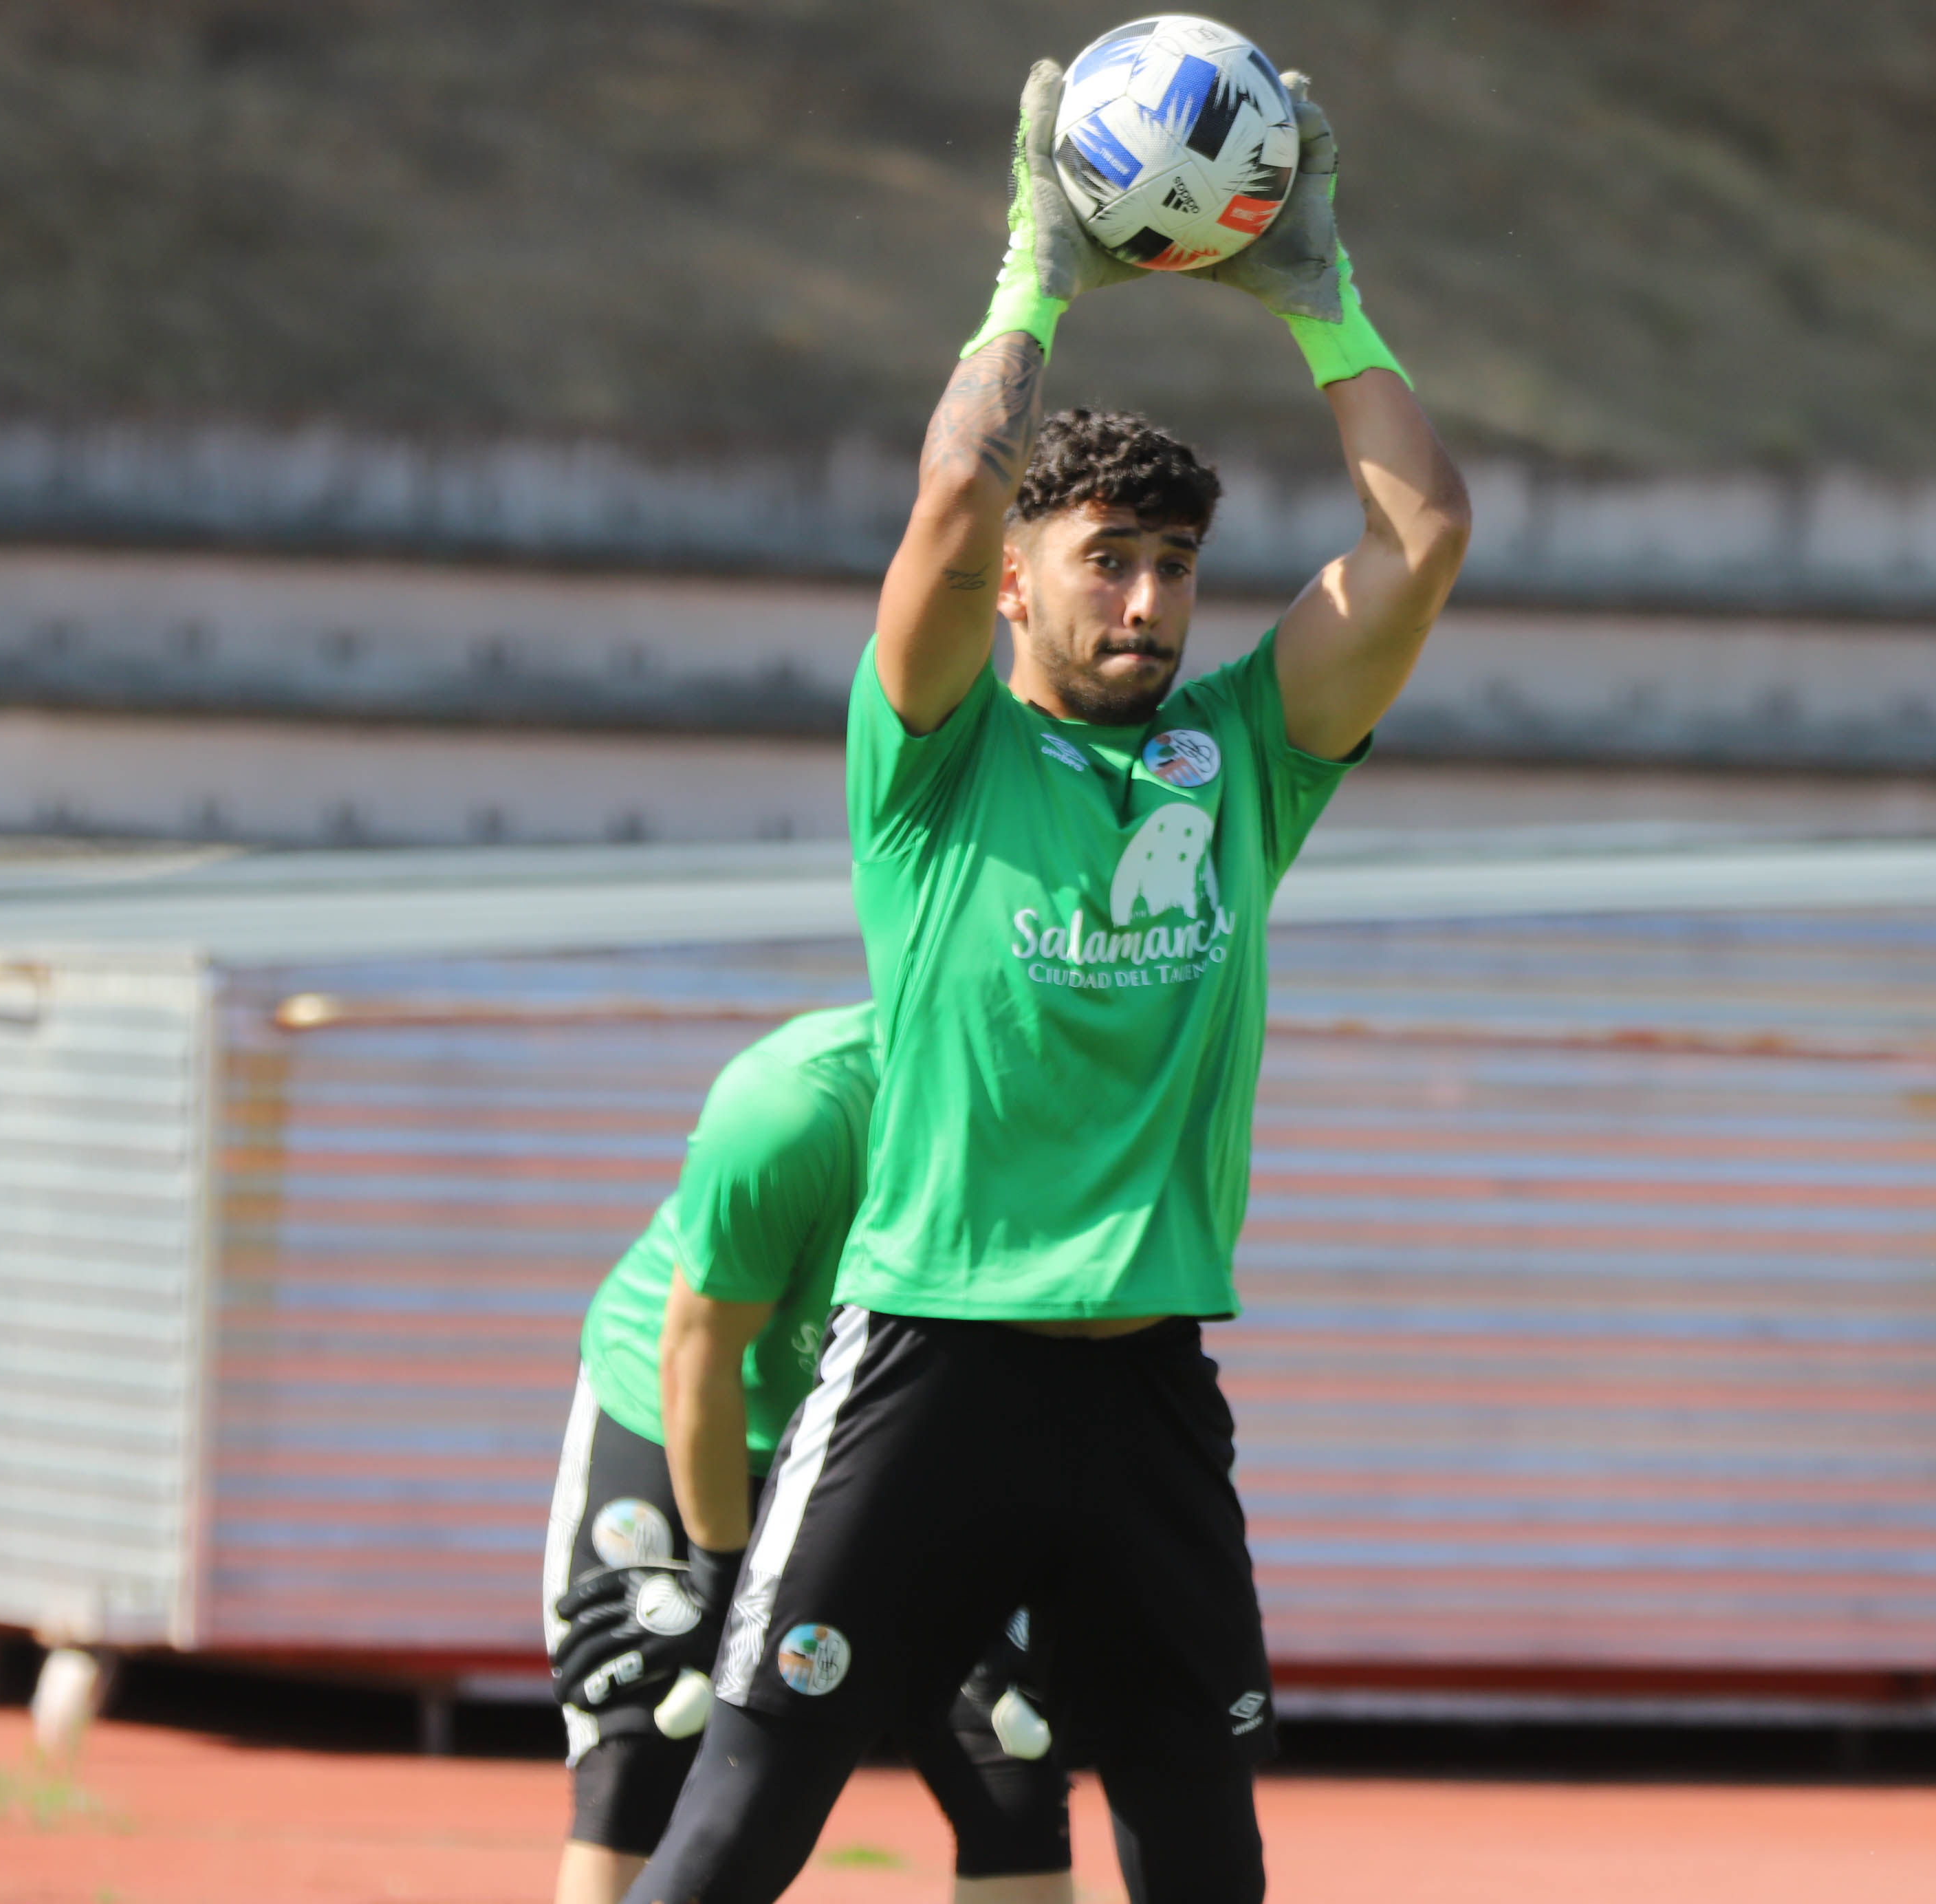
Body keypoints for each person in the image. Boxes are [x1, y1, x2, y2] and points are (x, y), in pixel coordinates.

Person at [628, 54, 1468, 1904]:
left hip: (1153, 1383)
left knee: (1197, 1838)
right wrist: (1037, 265)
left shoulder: (1241, 757)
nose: (1150, 603)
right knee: (745, 1814)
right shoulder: (934, 763)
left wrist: (1321, 302)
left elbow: (1423, 546)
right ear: (1020, 589)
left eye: (1173, 568)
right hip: (931, 1358)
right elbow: (947, 497)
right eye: (1106, 564)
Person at [543, 1002, 1071, 1904]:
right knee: (647, 1736)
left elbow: (1064, 1351)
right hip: (702, 1415)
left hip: (894, 1440)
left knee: (1005, 1745)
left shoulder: (1071, 1115)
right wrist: (715, 1572)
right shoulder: (791, 1104)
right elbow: (696, 1350)